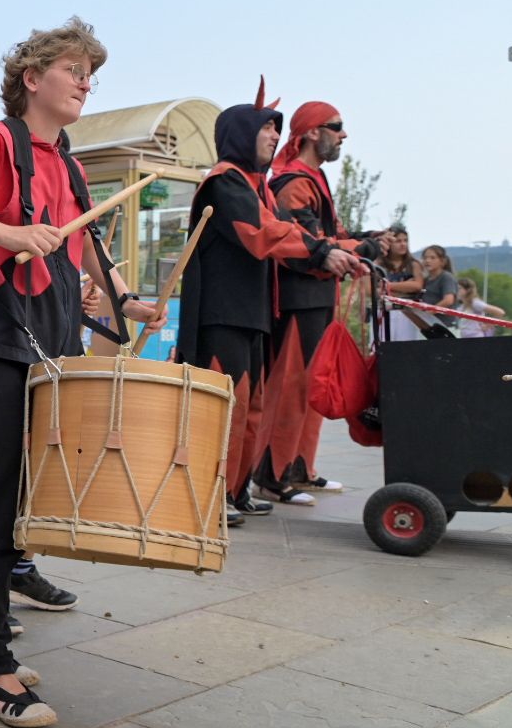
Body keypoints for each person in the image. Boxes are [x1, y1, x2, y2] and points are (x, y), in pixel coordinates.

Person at [0, 18, 166, 727]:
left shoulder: (69, 164)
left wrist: (132, 302)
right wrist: (11, 235)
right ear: (32, 78)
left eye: (92, 73)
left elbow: (88, 254)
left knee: (10, 506)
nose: (86, 82)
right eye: (74, 69)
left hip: (46, 350)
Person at [176, 83, 361, 526]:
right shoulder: (225, 182)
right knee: (227, 409)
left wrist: (336, 248)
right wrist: (320, 252)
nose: (275, 138)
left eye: (277, 132)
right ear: (242, 134)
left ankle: (236, 491)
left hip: (251, 314)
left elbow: (274, 230)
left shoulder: (254, 185)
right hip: (220, 315)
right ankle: (209, 494)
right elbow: (263, 233)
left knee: (251, 406)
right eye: (266, 130)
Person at [253, 102, 380, 501]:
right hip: (297, 298)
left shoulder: (312, 178)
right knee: (290, 388)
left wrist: (363, 241)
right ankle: (272, 476)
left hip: (317, 296)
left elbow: (331, 235)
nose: (343, 135)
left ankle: (300, 468)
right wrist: (363, 246)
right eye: (336, 126)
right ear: (311, 132)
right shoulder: (292, 181)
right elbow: (304, 244)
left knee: (313, 384)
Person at [378, 227, 424, 341]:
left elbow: (417, 286)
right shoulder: (378, 264)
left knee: (407, 346)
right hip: (384, 310)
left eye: (405, 240)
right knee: (383, 344)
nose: (403, 244)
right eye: (398, 241)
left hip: (408, 311)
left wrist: (388, 286)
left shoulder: (413, 264)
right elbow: (370, 289)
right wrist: (405, 286)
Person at [418, 245, 459, 333]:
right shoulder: (426, 280)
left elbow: (448, 300)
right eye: (425, 258)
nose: (427, 261)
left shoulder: (446, 277)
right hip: (430, 326)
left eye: (432, 258)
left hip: (446, 327)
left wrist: (428, 313)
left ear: (442, 261)